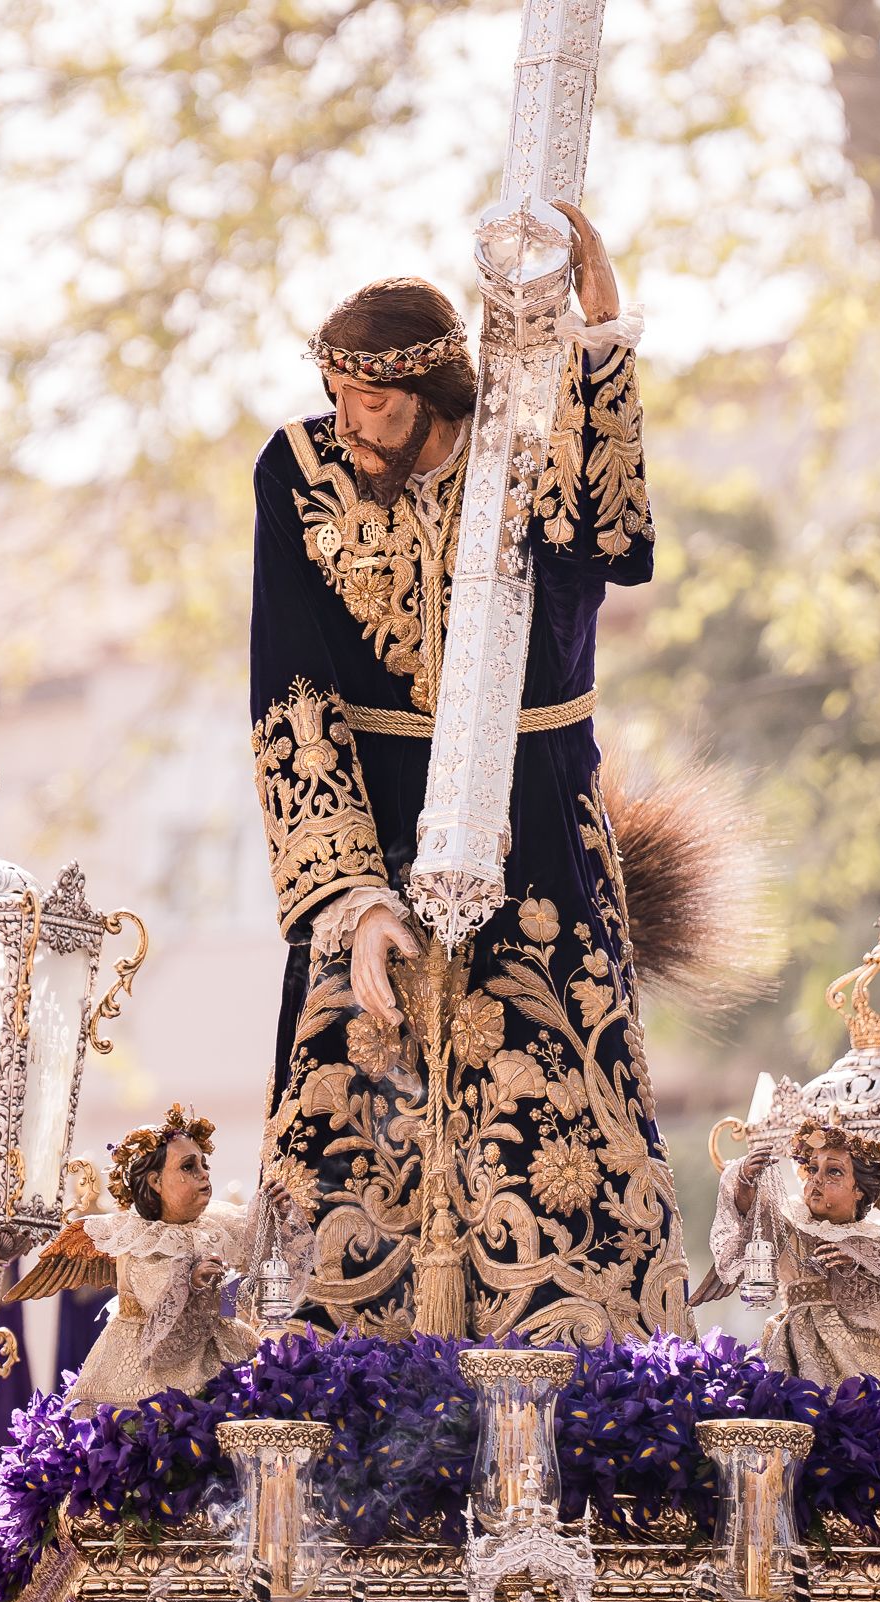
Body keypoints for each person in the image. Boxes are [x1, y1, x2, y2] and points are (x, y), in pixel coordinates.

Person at [250, 203, 692, 1343]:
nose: (352, 423)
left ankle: (586, 1401)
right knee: (358, 1137)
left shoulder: (525, 446)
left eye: (379, 401)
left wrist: (601, 344)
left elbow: (615, 543)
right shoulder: (295, 474)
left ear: (436, 390)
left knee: (555, 1134)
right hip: (378, 849)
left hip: (538, 827)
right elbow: (293, 700)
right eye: (342, 396)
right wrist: (349, 901)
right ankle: (337, 1410)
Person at [9, 1108, 261, 1411]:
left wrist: (275, 1210)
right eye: (188, 1166)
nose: (204, 1174)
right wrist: (190, 1281)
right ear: (155, 1182)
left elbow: (257, 1249)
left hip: (211, 1349)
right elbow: (154, 1291)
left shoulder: (213, 1224)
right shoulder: (136, 1238)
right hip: (147, 1365)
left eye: (203, 1164)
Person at [701, 1122, 880, 1404]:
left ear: (859, 1189)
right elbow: (756, 1217)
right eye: (812, 1169)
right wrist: (745, 1181)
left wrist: (858, 1264)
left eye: (833, 1172)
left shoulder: (872, 1242)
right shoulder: (792, 1225)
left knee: (861, 1415)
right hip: (796, 1343)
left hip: (860, 1352)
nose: (817, 1180)